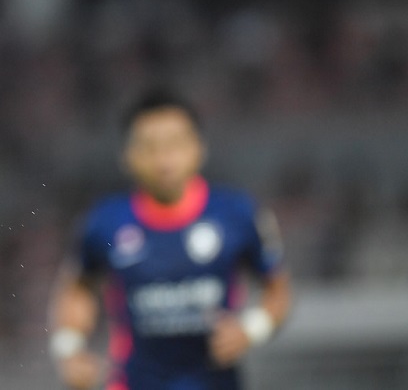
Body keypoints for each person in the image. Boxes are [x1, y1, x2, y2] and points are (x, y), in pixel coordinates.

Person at [47, 90, 291, 389]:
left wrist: (252, 329)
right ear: (128, 156)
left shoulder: (238, 214)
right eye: (150, 147)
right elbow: (77, 287)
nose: (163, 159)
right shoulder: (105, 222)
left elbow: (278, 289)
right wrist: (70, 350)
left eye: (174, 144)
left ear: (199, 148)